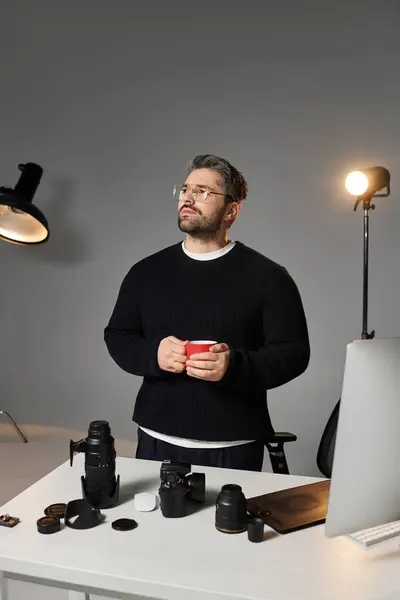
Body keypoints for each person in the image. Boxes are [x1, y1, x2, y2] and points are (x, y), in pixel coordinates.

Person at [104, 154, 310, 472]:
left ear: (231, 210)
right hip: (155, 439)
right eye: (185, 189)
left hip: (235, 445)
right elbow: (118, 335)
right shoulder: (145, 272)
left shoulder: (269, 276)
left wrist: (235, 365)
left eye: (202, 191)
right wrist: (154, 354)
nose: (187, 197)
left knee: (230, 525)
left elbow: (294, 353)